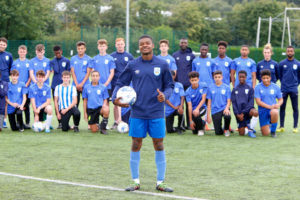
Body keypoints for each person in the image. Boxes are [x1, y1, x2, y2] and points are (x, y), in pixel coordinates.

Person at [113, 35, 174, 192]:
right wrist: (115, 98)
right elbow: (120, 82)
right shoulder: (133, 64)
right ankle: (135, 182)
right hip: (138, 112)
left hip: (156, 112)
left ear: (153, 45)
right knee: (135, 144)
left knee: (158, 144)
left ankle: (160, 182)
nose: (145, 46)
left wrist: (165, 96)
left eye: (147, 43)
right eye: (142, 44)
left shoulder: (162, 64)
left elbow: (169, 85)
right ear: (139, 47)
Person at [111, 38, 134, 129]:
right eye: (118, 44)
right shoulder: (112, 56)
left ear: (124, 45)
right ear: (116, 45)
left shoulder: (129, 56)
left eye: (121, 44)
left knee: (127, 101)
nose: (120, 46)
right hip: (116, 83)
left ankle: (128, 120)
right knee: (116, 102)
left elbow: (132, 69)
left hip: (127, 83)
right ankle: (116, 121)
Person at [172, 38, 195, 128]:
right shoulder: (175, 55)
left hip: (189, 85)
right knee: (180, 104)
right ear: (179, 44)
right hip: (179, 85)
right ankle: (181, 124)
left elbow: (193, 70)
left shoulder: (191, 55)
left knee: (189, 104)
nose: (183, 44)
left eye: (185, 43)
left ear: (187, 44)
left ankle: (190, 123)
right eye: (182, 42)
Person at [277, 46, 300, 133]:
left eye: (291, 51)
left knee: (295, 108)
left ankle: (295, 127)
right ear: (286, 53)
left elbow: (299, 76)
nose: (290, 52)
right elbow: (279, 75)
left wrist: (295, 84)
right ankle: (281, 126)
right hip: (284, 89)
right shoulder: (282, 63)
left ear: (293, 52)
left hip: (294, 89)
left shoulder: (298, 64)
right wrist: (284, 83)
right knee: (282, 107)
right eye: (288, 51)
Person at [255, 69, 283, 137]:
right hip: (262, 111)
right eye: (264, 78)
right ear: (261, 78)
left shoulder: (275, 87)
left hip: (272, 109)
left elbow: (281, 99)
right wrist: (270, 106)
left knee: (275, 112)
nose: (265, 80)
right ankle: (269, 124)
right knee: (265, 134)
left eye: (267, 78)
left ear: (270, 78)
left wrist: (278, 104)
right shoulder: (257, 87)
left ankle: (273, 131)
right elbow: (258, 102)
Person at [231, 70, 258, 138]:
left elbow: (251, 103)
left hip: (248, 111)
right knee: (241, 133)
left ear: (246, 77)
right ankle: (247, 125)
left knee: (255, 112)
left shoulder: (250, 88)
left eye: (243, 77)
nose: (241, 78)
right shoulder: (235, 89)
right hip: (239, 114)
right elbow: (234, 104)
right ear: (238, 77)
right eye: (240, 77)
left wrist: (243, 113)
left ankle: (250, 130)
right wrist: (237, 114)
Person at [50, 45, 71, 129]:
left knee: (65, 103)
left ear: (61, 51)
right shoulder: (52, 61)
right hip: (55, 85)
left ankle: (66, 121)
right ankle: (60, 122)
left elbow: (68, 73)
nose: (57, 54)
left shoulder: (66, 61)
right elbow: (50, 70)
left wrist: (67, 83)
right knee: (57, 104)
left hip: (65, 86)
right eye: (55, 53)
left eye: (58, 53)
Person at [11, 45, 31, 129]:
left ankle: (27, 123)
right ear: (18, 52)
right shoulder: (15, 63)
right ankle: (19, 122)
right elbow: (13, 75)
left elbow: (31, 75)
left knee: (26, 106)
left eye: (23, 51)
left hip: (27, 87)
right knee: (18, 105)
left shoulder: (29, 62)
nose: (22, 53)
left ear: (26, 52)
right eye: (20, 51)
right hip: (17, 88)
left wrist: (26, 85)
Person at [207, 70, 231, 136]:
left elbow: (229, 101)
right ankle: (221, 129)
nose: (217, 79)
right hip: (215, 110)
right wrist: (208, 116)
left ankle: (226, 129)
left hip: (224, 108)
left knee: (227, 116)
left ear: (222, 77)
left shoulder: (226, 87)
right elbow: (209, 103)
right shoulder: (210, 87)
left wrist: (227, 108)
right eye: (216, 77)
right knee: (218, 133)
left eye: (219, 77)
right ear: (213, 78)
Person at [70, 41, 92, 107]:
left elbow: (88, 73)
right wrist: (77, 84)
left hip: (86, 85)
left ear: (85, 49)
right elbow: (72, 72)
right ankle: (76, 117)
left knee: (87, 105)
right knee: (74, 105)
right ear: (77, 49)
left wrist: (82, 84)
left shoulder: (89, 59)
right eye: (79, 48)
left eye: (82, 48)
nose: (80, 50)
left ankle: (87, 117)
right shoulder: (73, 59)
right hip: (75, 85)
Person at [185, 71, 207, 136]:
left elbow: (203, 99)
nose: (194, 82)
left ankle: (201, 130)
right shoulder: (187, 91)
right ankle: (202, 123)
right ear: (190, 81)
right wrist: (191, 120)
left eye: (195, 80)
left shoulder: (203, 86)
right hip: (193, 110)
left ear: (198, 79)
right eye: (192, 80)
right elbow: (189, 106)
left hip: (202, 108)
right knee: (194, 132)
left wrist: (197, 109)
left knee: (196, 114)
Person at [0, 37, 13, 128]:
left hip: (5, 80)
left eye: (4, 45)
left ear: (6, 46)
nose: (2, 46)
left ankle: (4, 120)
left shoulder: (9, 55)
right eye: (0, 44)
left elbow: (10, 68)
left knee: (5, 101)